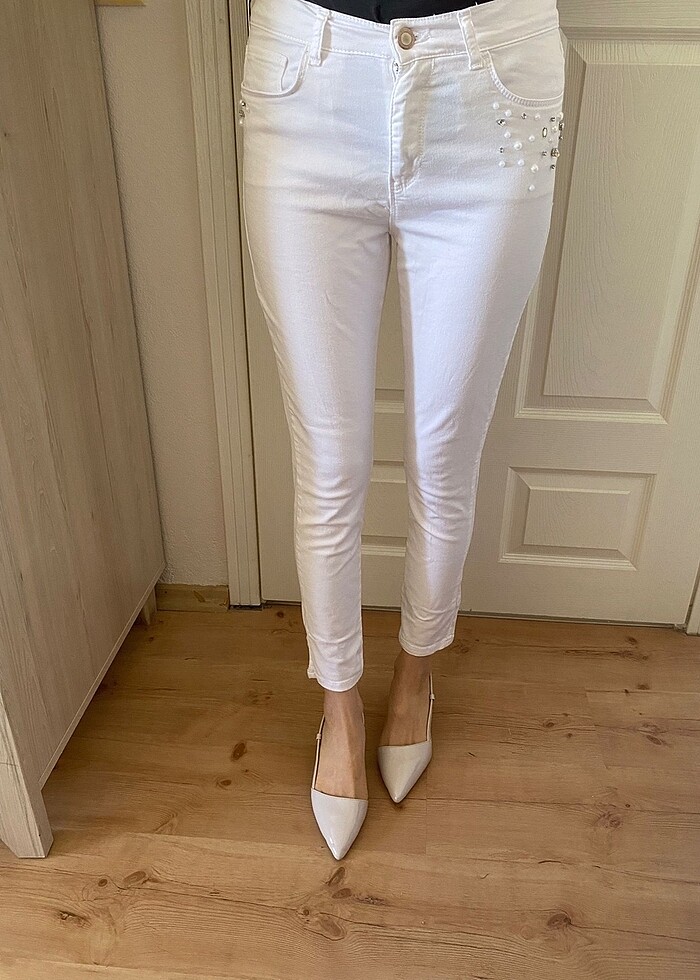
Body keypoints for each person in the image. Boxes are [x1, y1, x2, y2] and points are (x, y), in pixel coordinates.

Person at [240, 0, 566, 859]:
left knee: (444, 452)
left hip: (492, 84)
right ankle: (339, 704)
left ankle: (416, 673)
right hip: (305, 81)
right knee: (330, 461)